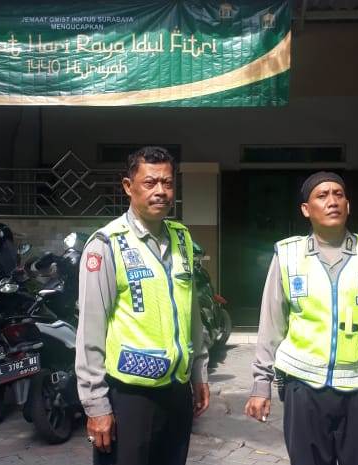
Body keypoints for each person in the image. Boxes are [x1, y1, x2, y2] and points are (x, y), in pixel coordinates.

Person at [245, 171, 358, 465]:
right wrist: (262, 383)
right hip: (303, 387)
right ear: (306, 209)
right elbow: (271, 325)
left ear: (348, 205)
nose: (332, 201)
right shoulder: (287, 255)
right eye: (322, 196)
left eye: (338, 194)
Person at [75, 146, 210, 465]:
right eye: (150, 183)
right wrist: (96, 405)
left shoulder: (182, 239)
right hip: (129, 396)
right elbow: (90, 330)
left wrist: (199, 373)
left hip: (176, 392)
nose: (161, 191)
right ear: (128, 186)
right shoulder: (107, 244)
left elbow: (191, 314)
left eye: (167, 183)